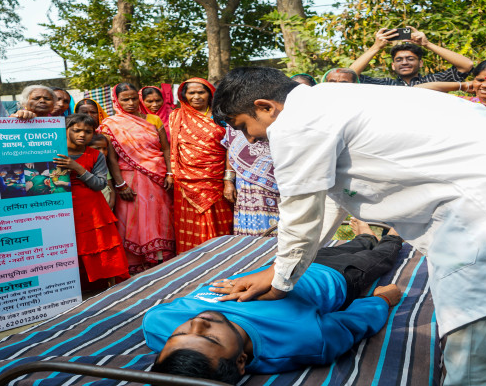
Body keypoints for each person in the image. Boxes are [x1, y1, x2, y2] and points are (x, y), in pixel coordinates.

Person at [210, 67, 486, 386]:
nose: (254, 142)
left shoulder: (297, 121)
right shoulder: (335, 99)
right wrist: (282, 271)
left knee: (478, 369)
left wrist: (282, 281)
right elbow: (325, 201)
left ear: (265, 107)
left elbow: (301, 210)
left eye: (247, 129)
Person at [145, 220, 403, 384]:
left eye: (179, 333)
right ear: (241, 362)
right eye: (211, 338)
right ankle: (394, 234)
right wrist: (382, 299)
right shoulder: (304, 340)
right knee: (382, 255)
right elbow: (352, 323)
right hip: (336, 277)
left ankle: (365, 236)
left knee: (343, 247)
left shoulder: (157, 325)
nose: (198, 323)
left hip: (282, 266)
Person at [98, 83, 175, 273]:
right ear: (117, 101)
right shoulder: (110, 125)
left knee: (159, 216)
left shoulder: (153, 120)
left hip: (156, 177)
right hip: (128, 179)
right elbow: (112, 158)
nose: (131, 102)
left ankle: (160, 258)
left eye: (134, 98)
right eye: (125, 99)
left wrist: (170, 172)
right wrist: (120, 184)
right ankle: (135, 263)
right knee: (132, 219)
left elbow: (165, 148)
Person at [52, 113, 128, 288]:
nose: (82, 135)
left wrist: (76, 167)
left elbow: (99, 184)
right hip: (63, 208)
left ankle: (109, 286)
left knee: (101, 246)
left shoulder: (95, 155)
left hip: (93, 210)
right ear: (65, 130)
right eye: (76, 130)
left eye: (87, 131)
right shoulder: (54, 151)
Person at [169, 78, 232, 253]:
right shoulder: (176, 116)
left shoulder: (221, 116)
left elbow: (230, 148)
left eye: (201, 92)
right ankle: (191, 263)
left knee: (220, 223)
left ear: (210, 93)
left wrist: (228, 179)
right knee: (191, 227)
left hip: (216, 179)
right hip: (186, 181)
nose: (196, 97)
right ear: (184, 95)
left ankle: (221, 259)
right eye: (191, 93)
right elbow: (173, 148)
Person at [349, 27, 474, 86]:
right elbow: (350, 75)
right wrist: (375, 47)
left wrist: (427, 44)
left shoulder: (433, 80)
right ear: (393, 65)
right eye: (399, 59)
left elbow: (466, 66)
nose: (404, 62)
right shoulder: (386, 84)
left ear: (420, 63)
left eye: (410, 59)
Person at [221, 125, 279, 236]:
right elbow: (231, 148)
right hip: (244, 185)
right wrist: (228, 181)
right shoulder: (235, 115)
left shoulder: (277, 114)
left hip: (277, 181)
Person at [91, 133, 116, 210]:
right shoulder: (83, 167)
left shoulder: (103, 166)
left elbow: (110, 188)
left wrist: (111, 204)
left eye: (104, 149)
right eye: (97, 148)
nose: (102, 152)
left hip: (107, 208)